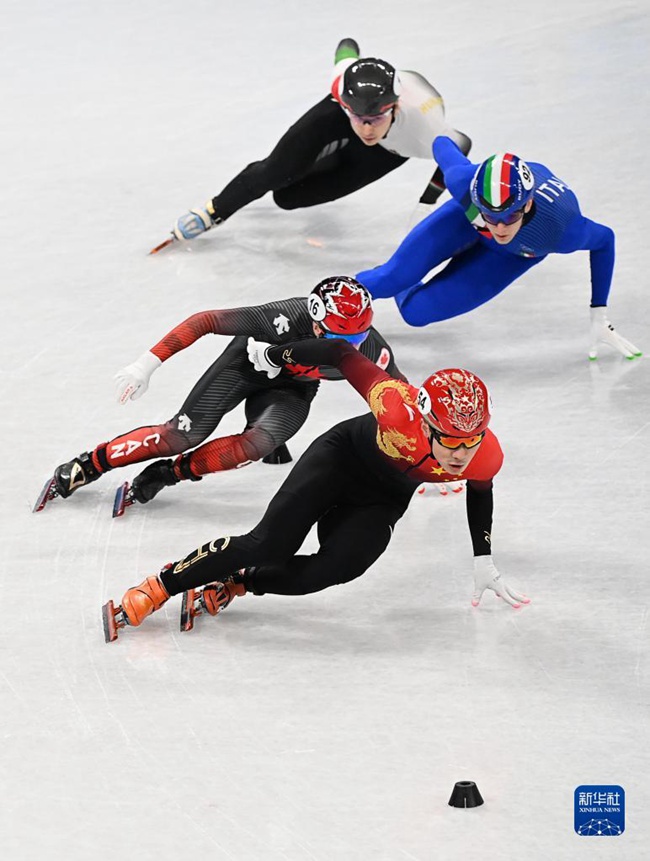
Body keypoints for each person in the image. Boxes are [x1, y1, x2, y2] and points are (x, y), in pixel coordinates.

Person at [102, 336, 529, 643]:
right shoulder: (395, 403)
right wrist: (275, 355)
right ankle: (161, 585)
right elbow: (341, 353)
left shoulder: (486, 454)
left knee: (339, 568)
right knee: (267, 543)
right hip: (341, 458)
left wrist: (483, 558)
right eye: (450, 440)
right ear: (426, 421)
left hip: (383, 497)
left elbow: (480, 490)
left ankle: (239, 582)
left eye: (471, 440)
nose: (461, 454)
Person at [35, 277, 404, 514]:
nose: (350, 348)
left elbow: (400, 397)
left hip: (293, 387)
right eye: (340, 338)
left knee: (256, 444)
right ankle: (92, 463)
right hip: (243, 366)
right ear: (315, 321)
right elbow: (206, 321)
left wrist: (421, 452)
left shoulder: (370, 348)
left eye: (358, 338)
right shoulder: (283, 318)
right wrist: (146, 364)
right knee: (180, 436)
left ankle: (170, 474)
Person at [355, 137, 642, 361]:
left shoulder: (563, 229)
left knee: (416, 313)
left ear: (527, 204)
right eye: (491, 216)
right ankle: (323, 306)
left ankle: (404, 273)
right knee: (388, 280)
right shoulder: (463, 182)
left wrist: (599, 315)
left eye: (511, 216)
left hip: (512, 256)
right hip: (464, 221)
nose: (501, 227)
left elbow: (605, 240)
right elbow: (442, 142)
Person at [165, 38, 471, 247]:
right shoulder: (342, 85)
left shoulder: (425, 130)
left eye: (375, 119)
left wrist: (426, 202)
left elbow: (462, 144)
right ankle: (213, 211)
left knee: (287, 198)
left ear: (394, 107)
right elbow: (346, 47)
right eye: (358, 117)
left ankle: (312, 164)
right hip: (338, 118)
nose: (366, 128)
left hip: (389, 151)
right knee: (275, 172)